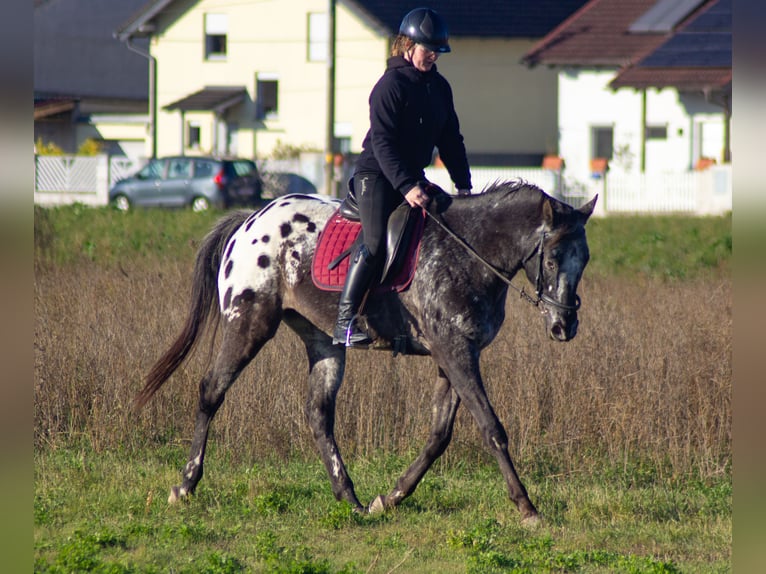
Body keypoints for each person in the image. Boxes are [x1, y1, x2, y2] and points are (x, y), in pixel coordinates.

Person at [332, 6, 473, 347]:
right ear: (407, 46)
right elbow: (382, 142)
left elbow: (450, 139)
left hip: (411, 176)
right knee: (375, 240)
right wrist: (407, 185)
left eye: (438, 52)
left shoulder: (439, 87)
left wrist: (464, 184)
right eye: (429, 50)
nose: (434, 57)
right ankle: (344, 322)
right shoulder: (389, 86)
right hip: (376, 175)